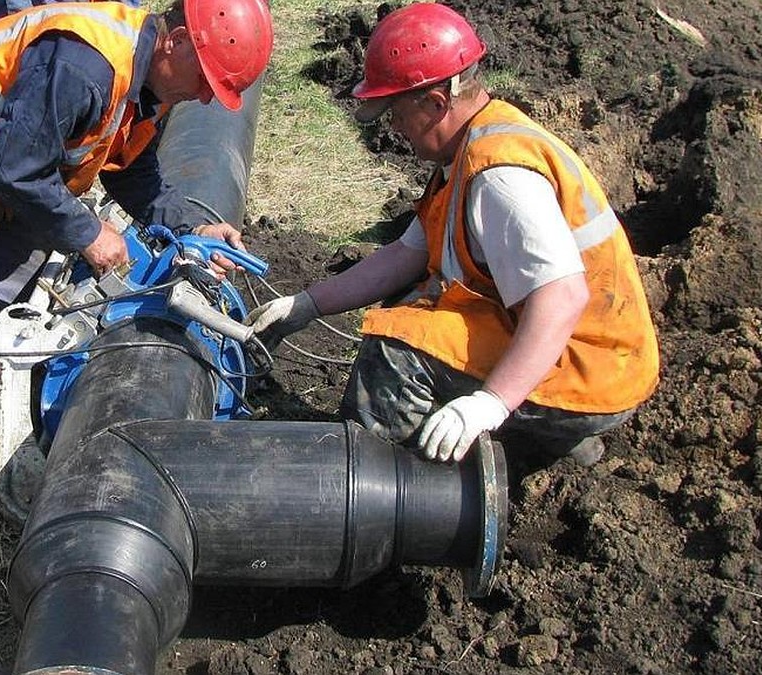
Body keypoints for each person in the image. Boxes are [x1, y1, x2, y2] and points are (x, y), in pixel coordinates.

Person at [0, 0, 274, 501]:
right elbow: (14, 169)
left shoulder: (148, 84)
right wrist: (88, 233)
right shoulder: (86, 64)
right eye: (208, 81)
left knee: (21, 266)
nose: (207, 101)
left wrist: (195, 225)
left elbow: (135, 172)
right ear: (179, 40)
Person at [248, 3, 659, 467]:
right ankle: (546, 441)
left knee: (397, 348)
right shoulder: (472, 144)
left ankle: (369, 484)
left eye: (395, 112)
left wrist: (491, 403)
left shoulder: (498, 177)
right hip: (584, 353)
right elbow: (406, 254)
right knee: (414, 300)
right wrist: (307, 305)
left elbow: (561, 298)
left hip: (589, 368)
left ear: (437, 103)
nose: (394, 128)